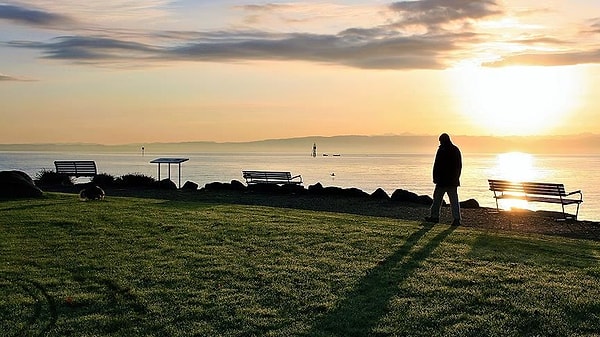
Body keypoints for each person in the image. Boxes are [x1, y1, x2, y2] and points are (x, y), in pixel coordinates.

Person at [425, 133, 462, 226]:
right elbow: (459, 166)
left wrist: (435, 177)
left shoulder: (441, 150)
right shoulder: (455, 150)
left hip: (442, 181)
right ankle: (456, 219)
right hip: (451, 181)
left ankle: (435, 217)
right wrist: (456, 178)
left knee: (437, 199)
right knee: (453, 201)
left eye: (441, 141)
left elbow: (437, 165)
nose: (440, 143)